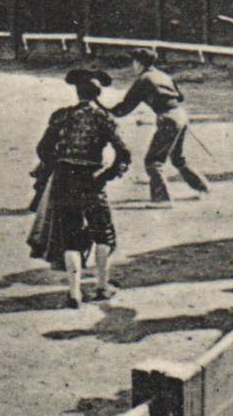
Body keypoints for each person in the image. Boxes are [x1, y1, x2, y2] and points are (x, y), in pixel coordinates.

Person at [27, 69, 132, 307]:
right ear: (99, 93)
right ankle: (102, 286)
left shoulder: (61, 116)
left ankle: (74, 293)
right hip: (91, 180)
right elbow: (124, 154)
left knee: (70, 236)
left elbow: (43, 149)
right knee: (103, 233)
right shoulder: (105, 118)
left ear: (77, 92)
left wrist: (58, 164)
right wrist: (106, 176)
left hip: (64, 180)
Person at [110, 48, 210, 205]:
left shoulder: (144, 79)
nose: (132, 66)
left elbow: (126, 106)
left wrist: (107, 110)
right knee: (177, 159)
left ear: (139, 63)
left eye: (134, 62)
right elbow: (180, 97)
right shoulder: (163, 75)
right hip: (180, 115)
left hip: (168, 119)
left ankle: (162, 200)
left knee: (153, 161)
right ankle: (203, 187)